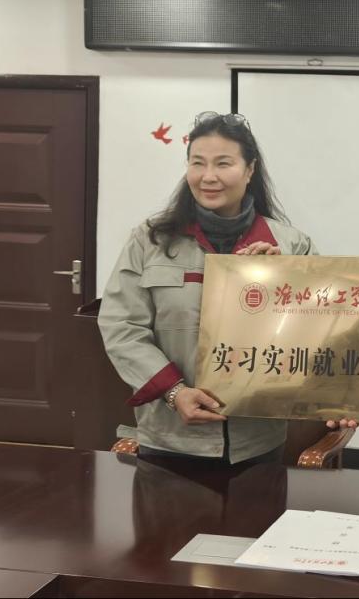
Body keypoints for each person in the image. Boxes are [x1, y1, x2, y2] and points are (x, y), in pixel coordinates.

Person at [99, 111, 316, 466]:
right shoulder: (150, 240)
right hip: (170, 439)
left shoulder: (291, 246)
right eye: (197, 163)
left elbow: (316, 331)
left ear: (249, 170)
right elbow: (121, 325)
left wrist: (280, 282)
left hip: (257, 442)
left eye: (223, 163)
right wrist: (174, 392)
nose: (208, 176)